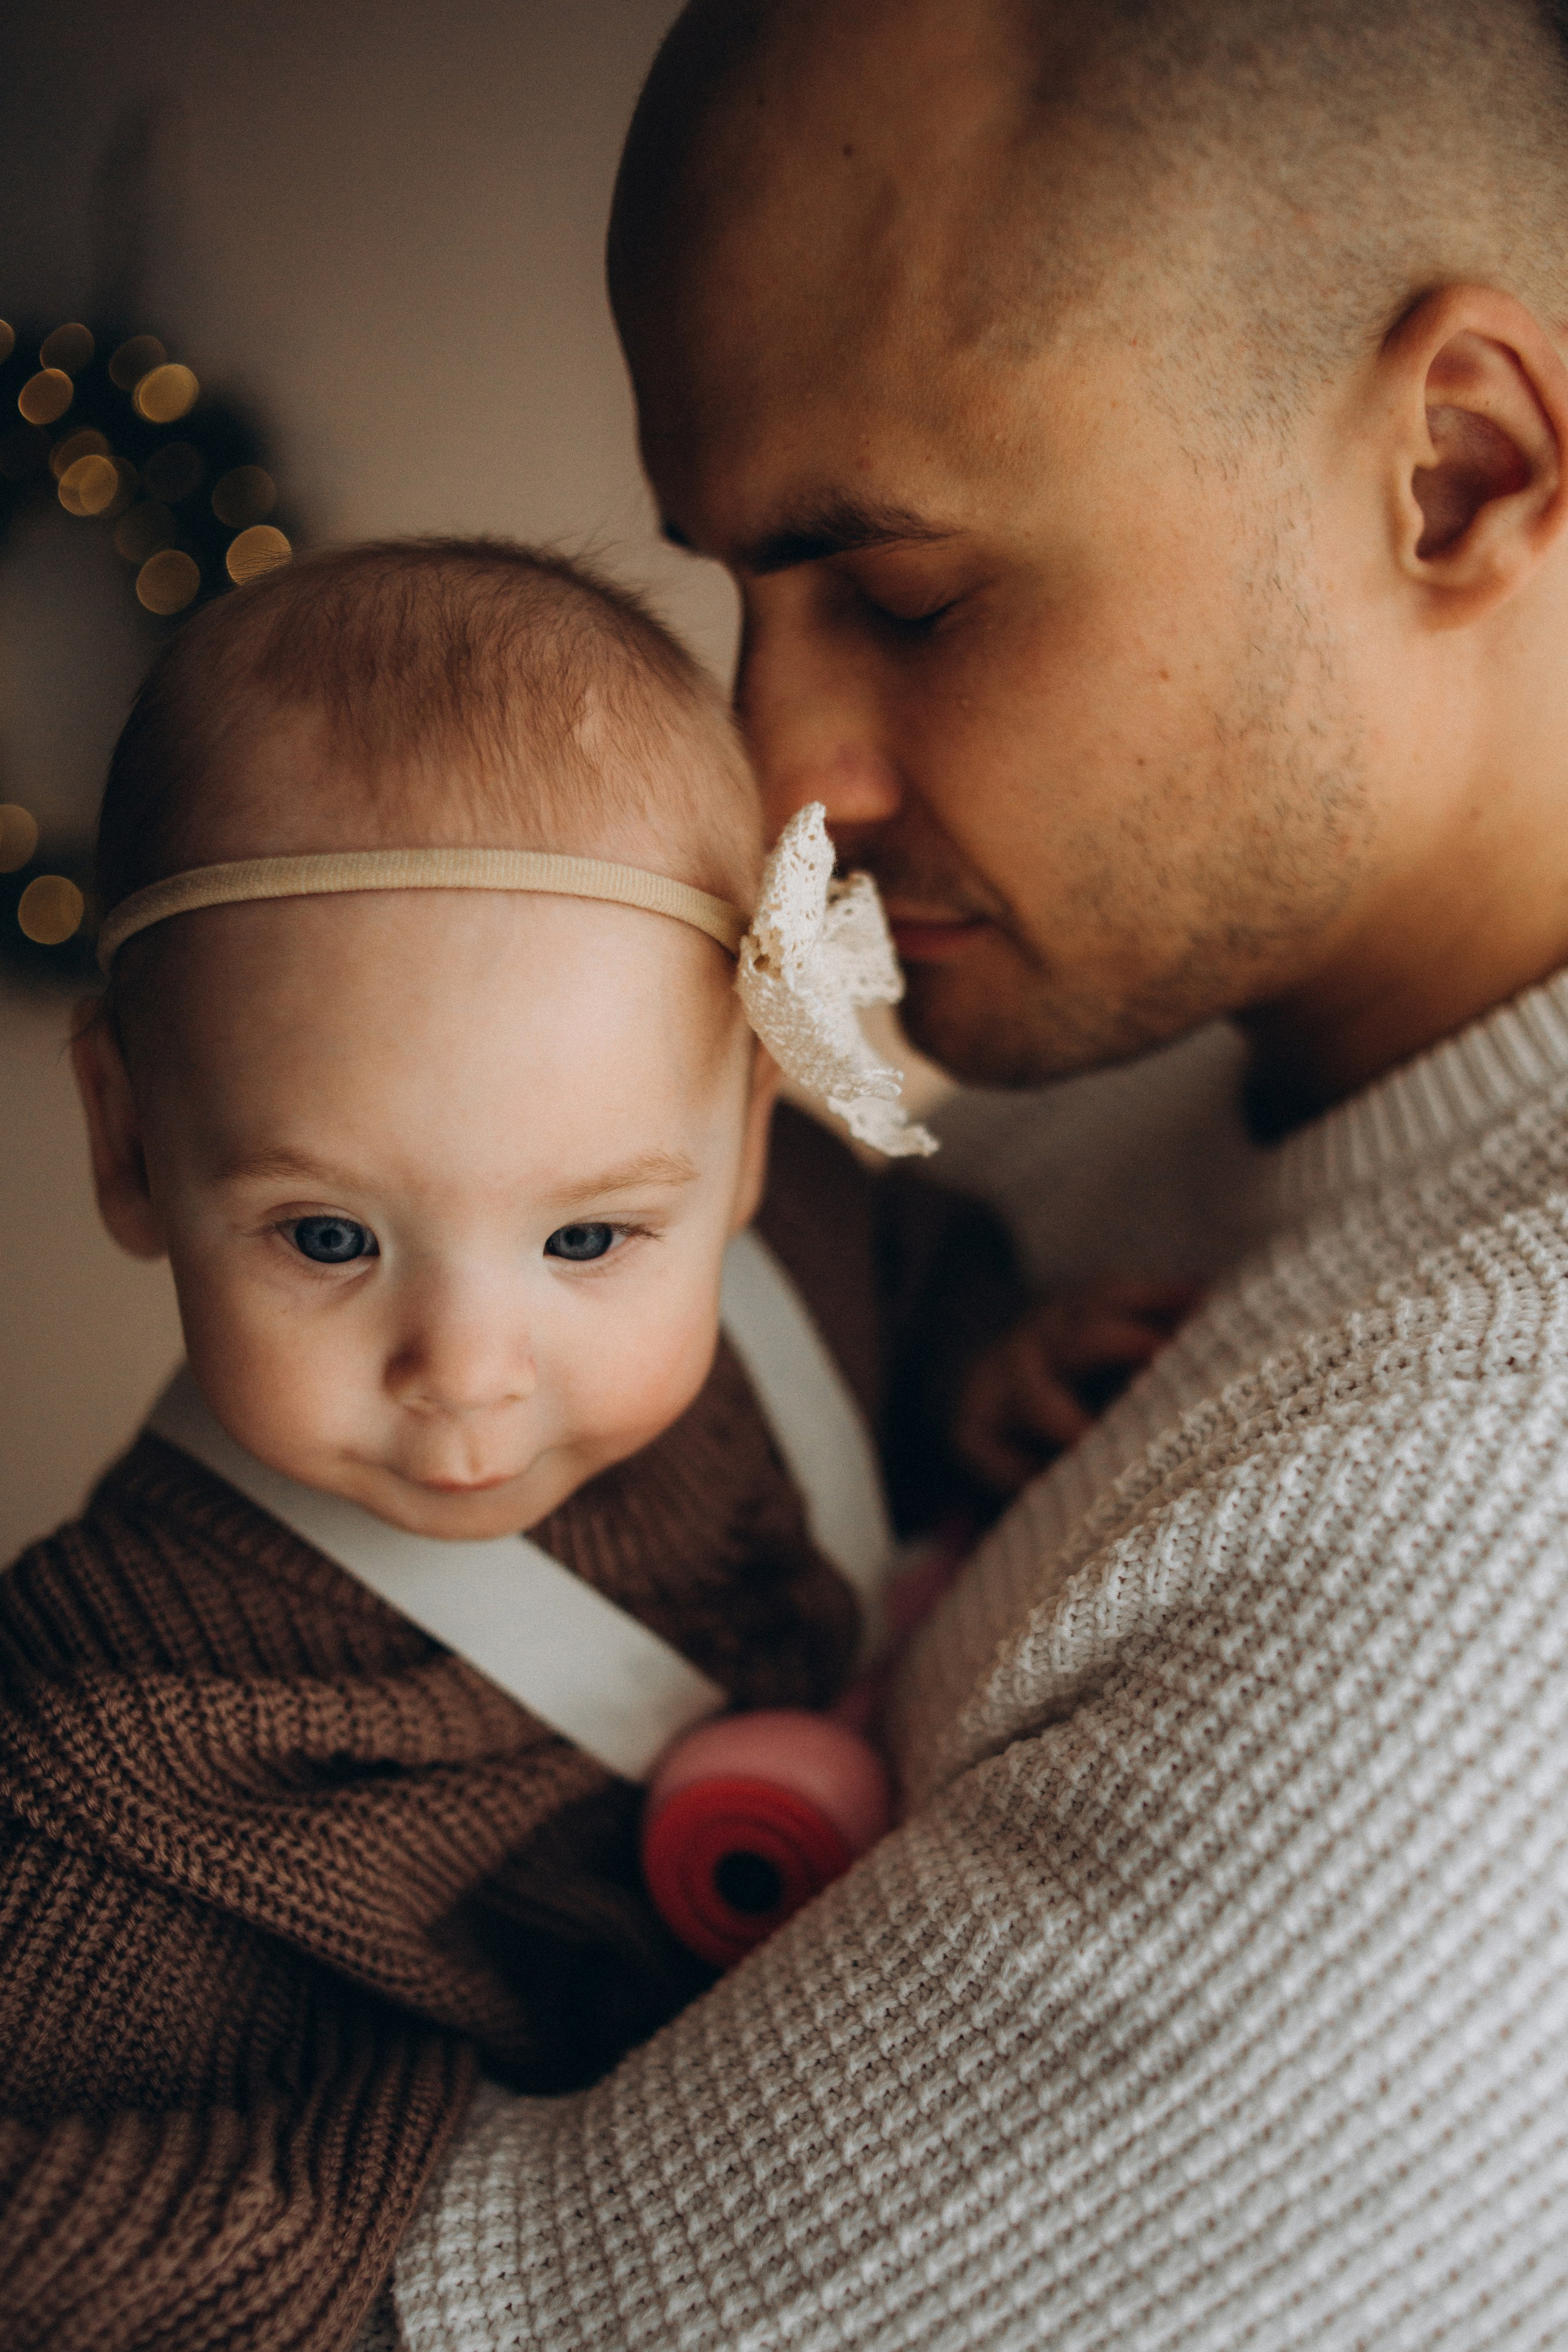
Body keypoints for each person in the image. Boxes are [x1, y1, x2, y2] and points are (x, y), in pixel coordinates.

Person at [379, 2, 1568, 2346]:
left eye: (903, 594)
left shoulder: (1496, 1561)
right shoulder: (1074, 1094)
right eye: (739, 594)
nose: (771, 773)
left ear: (1455, 467)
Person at [2, 537, 1189, 2349]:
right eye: (328, 1237)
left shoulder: (809, 1247)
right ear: (130, 1142)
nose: (468, 1373)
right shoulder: (110, 1736)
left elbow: (916, 1272)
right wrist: (446, 2157)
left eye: (586, 1241)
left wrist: (983, 1373)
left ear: (750, 1117)